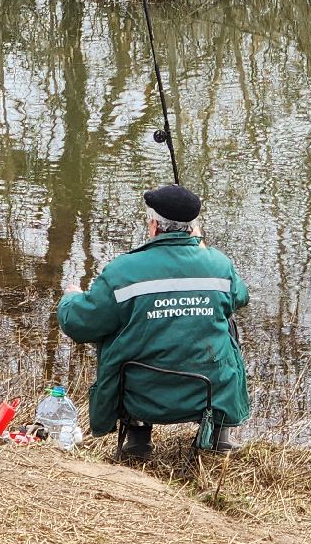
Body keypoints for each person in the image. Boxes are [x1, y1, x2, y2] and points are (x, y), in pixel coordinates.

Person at [58, 183, 251, 458]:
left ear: (154, 225)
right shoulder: (219, 265)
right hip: (206, 393)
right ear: (193, 227)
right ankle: (219, 438)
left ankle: (138, 441)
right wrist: (203, 249)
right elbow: (240, 296)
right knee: (226, 324)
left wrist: (70, 298)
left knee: (117, 326)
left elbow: (80, 323)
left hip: (140, 395)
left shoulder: (123, 270)